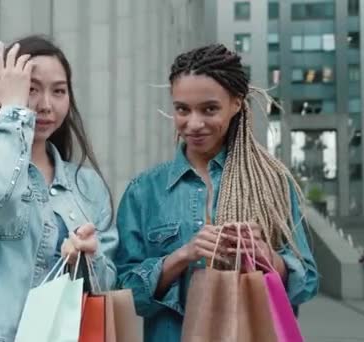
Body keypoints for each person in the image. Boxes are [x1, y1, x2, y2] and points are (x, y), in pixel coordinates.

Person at [115, 44, 319, 341]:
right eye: (182, 109)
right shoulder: (144, 190)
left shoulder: (272, 182)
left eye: (209, 109)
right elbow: (125, 293)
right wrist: (183, 256)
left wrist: (267, 258)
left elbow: (307, 282)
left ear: (236, 103)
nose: (194, 124)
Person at [0, 36, 118, 341]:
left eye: (59, 91)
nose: (46, 105)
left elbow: (107, 280)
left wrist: (87, 256)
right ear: (4, 91)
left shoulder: (87, 185)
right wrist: (14, 111)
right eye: (31, 89)